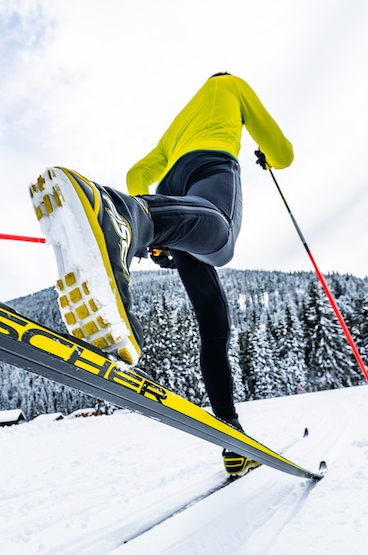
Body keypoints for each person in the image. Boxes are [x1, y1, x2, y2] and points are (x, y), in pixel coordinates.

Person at [29, 73, 293, 476]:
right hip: (211, 170)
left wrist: (157, 237)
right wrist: (269, 158)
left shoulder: (179, 124)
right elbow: (283, 151)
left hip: (174, 186)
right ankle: (122, 215)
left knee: (212, 315)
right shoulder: (231, 86)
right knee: (220, 239)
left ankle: (230, 432)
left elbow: (139, 173)